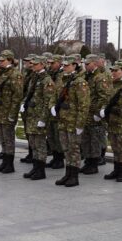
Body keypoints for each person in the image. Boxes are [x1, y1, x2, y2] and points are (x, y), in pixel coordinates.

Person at [52, 55, 90, 186]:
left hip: (73, 122)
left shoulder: (80, 82)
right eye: (64, 65)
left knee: (74, 149)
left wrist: (80, 124)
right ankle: (67, 174)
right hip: (63, 120)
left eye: (67, 65)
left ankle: (74, 176)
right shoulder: (63, 79)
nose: (65, 67)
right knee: (66, 149)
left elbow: (84, 105)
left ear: (75, 65)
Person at [0, 49, 24, 174]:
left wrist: (12, 113)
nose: (0, 62)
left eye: (3, 60)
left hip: (8, 110)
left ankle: (9, 164)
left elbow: (17, 96)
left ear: (9, 60)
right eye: (0, 60)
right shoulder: (1, 73)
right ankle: (4, 161)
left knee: (8, 138)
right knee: (2, 138)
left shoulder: (15, 74)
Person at [22, 55, 56, 180]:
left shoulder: (47, 81)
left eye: (35, 64)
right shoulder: (35, 78)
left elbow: (48, 101)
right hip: (31, 115)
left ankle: (40, 170)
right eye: (32, 64)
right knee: (33, 143)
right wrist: (24, 104)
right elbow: (29, 94)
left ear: (42, 65)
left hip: (39, 116)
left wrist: (43, 119)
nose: (33, 66)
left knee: (40, 144)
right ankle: (35, 167)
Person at [81, 54, 112, 174]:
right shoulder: (86, 76)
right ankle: (88, 162)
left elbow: (104, 97)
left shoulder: (100, 78)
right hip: (85, 113)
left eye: (87, 64)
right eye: (85, 64)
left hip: (94, 114)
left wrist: (98, 113)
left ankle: (93, 164)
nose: (85, 66)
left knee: (94, 140)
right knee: (86, 140)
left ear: (94, 63)